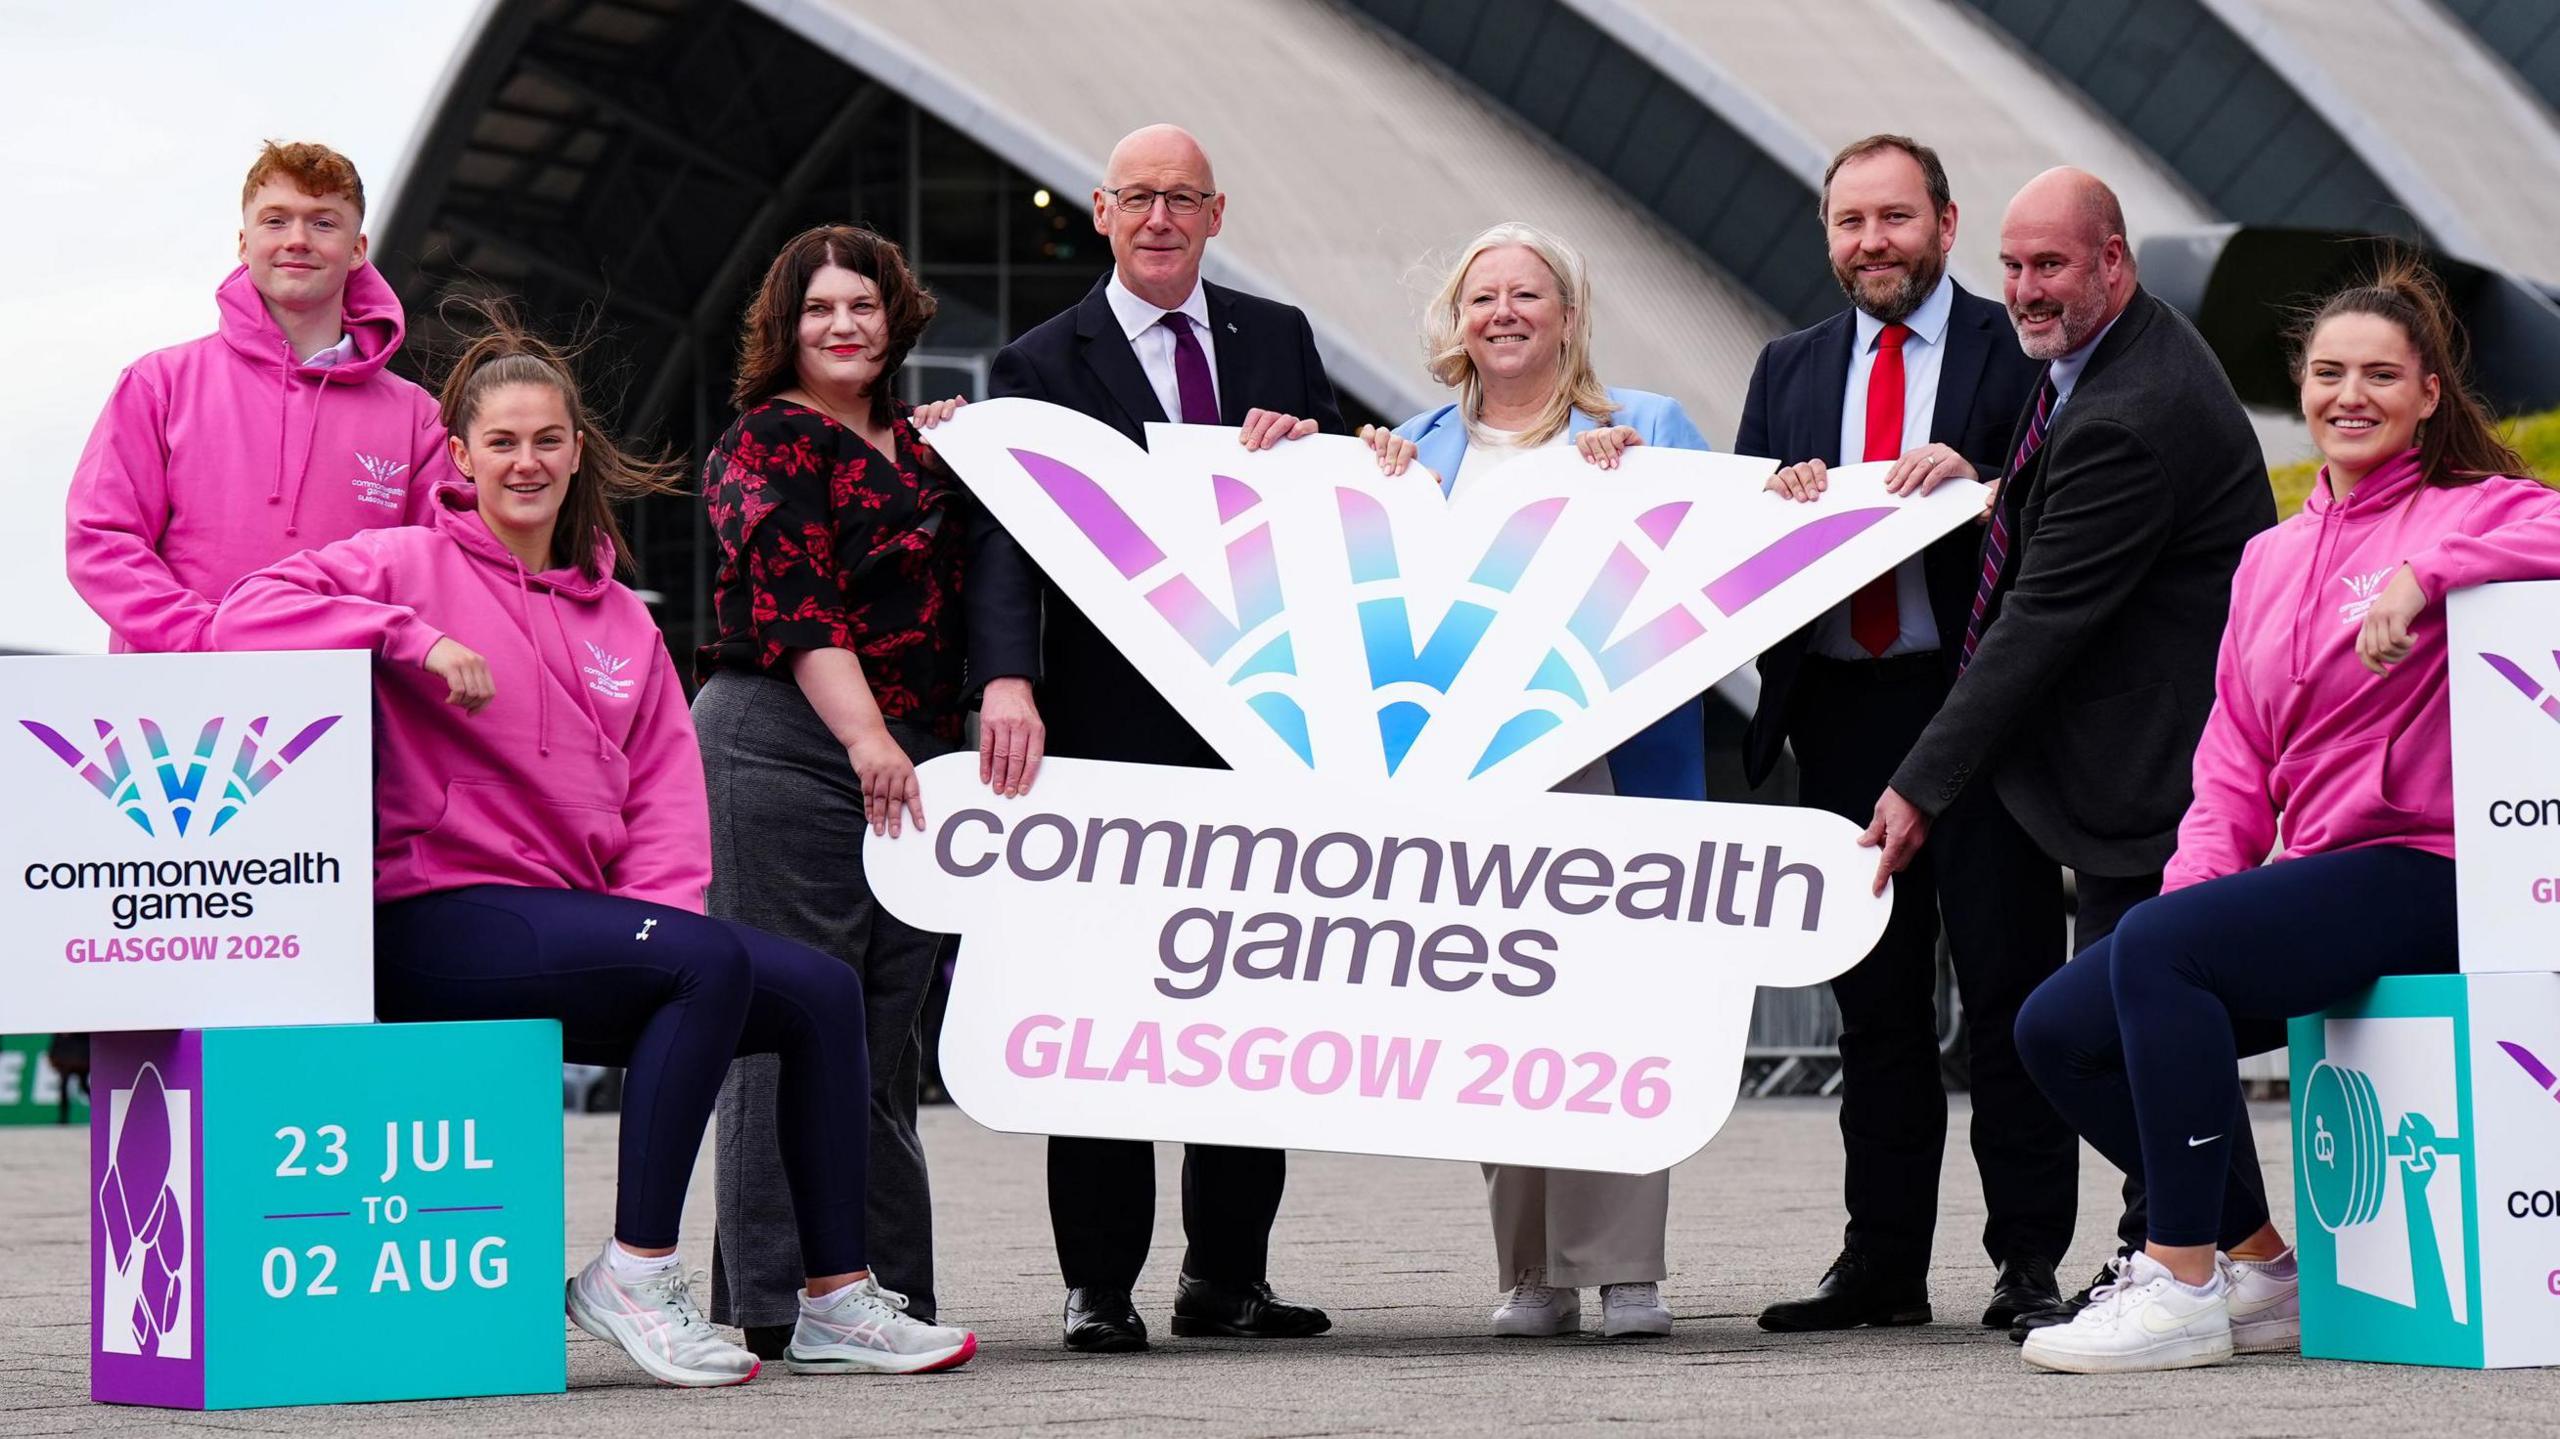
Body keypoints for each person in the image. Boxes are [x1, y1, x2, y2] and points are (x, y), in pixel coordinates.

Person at [208, 307, 978, 1384]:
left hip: (571, 931)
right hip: (430, 917)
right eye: (504, 441)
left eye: (548, 440)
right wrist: (410, 637)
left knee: (815, 990)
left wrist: (655, 926)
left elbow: (667, 805)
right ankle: (636, 1269)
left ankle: (834, 1296)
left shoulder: (620, 620)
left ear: (579, 452)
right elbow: (241, 614)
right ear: (460, 453)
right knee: (704, 955)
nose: (527, 462)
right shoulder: (401, 562)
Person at [2012, 258, 2560, 1373]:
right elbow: (2233, 754)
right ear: (2300, 389)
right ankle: (2259, 1264)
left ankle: (2175, 1277)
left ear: (2425, 396)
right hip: (2317, 874)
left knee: (2158, 956)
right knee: (2061, 1025)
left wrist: (2431, 571)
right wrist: (2188, 895)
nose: (2346, 394)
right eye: (2325, 373)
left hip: (2433, 866)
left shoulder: (2474, 509)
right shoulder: (2268, 556)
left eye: (2377, 374)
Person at [1858, 167, 2281, 1338]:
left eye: (2051, 264)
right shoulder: (2100, 366)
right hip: (2133, 767)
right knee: (2132, 1027)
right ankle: (2232, 1256)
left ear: (2114, 262)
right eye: (2012, 264)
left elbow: (2035, 617)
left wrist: (1918, 780)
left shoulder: (2131, 410)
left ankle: (2182, 1259)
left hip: (2157, 775)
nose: (2026, 288)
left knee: (2106, 1026)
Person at [971, 122, 1340, 1354]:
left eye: (1182, 198)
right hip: (1101, 727)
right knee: (1108, 1005)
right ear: (1099, 211)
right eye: (1138, 197)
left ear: (1216, 212)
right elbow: (1008, 538)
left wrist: (1326, 461)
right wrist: (1008, 680)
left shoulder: (1279, 340)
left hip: (1258, 727)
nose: (1161, 218)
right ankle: (1099, 1282)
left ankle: (1227, 1275)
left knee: (1244, 1001)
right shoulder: (1035, 360)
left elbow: (1338, 517)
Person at [1368, 220, 1710, 1339]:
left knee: (1614, 1008)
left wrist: (1649, 485)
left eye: (1527, 294)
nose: (1503, 312)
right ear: (1455, 323)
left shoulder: (1646, 426)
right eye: (1482, 297)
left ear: (1568, 314)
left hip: (1613, 761)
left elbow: (1720, 560)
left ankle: (1626, 1270)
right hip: (1469, 771)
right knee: (1497, 1011)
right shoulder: (1407, 447)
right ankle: (1531, 1270)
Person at [1735, 136, 2051, 1337]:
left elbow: (2059, 504)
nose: (1870, 242)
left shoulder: (2010, 352)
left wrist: (1975, 476)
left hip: (1972, 709)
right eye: (1849, 221)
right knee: (1872, 1009)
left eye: (1894, 219)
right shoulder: (1787, 366)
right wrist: (1777, 507)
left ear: (1946, 224)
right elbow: (1746, 550)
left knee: (2006, 985)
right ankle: (1881, 1261)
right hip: (1840, 710)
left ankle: (2026, 1258)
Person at [692, 224, 971, 1355]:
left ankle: (875, 1290)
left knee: (878, 1041)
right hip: (786, 739)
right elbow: (798, 608)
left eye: (862, 303)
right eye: (819, 309)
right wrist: (864, 739)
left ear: (895, 317)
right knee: (777, 1024)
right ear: (785, 328)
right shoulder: (767, 441)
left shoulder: (930, 448)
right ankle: (768, 1303)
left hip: (913, 752)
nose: (844, 323)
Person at [68, 140, 449, 652]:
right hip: (176, 701)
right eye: (275, 221)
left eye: (323, 222)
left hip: (348, 708)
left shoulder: (418, 419)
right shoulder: (159, 382)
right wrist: (206, 639)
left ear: (358, 250)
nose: (297, 240)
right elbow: (102, 539)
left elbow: (443, 569)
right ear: (243, 244)